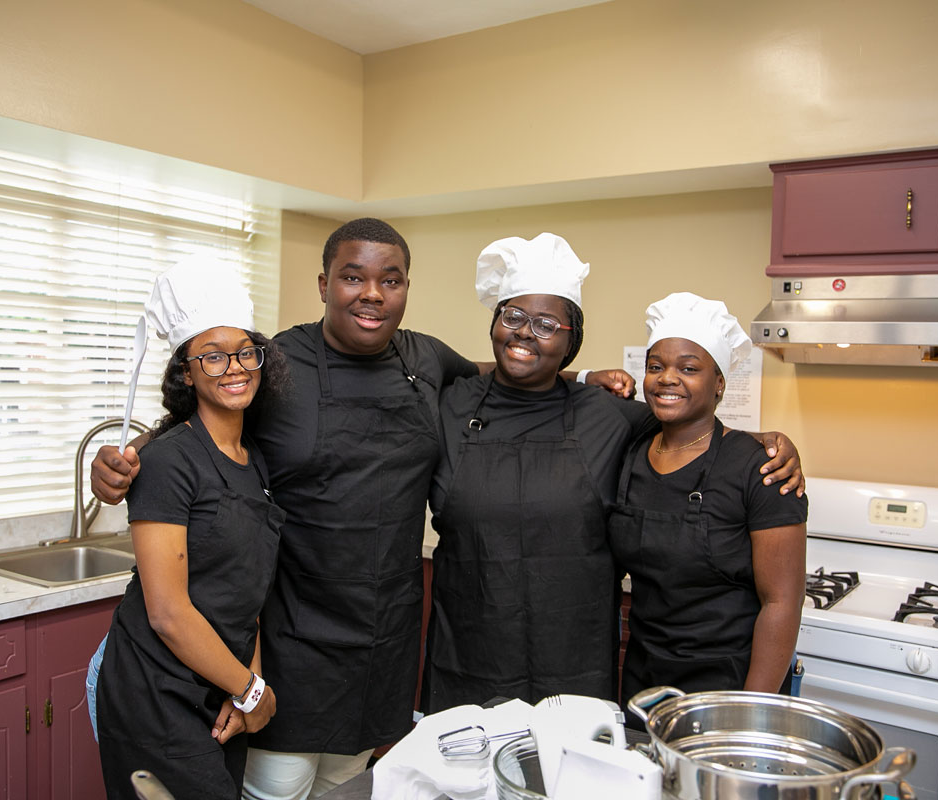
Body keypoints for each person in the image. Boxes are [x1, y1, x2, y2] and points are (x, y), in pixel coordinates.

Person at [89, 219, 638, 800]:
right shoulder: (275, 364)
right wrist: (126, 460)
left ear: (405, 288)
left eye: (391, 279)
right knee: (277, 788)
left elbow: (497, 371)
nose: (372, 293)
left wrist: (581, 377)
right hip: (290, 635)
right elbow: (205, 420)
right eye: (353, 277)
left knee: (351, 789)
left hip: (384, 636)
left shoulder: (426, 359)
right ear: (324, 284)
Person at [424, 236, 804, 713]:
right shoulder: (448, 404)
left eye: (546, 325)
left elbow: (693, 424)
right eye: (512, 317)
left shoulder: (608, 415)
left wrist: (764, 440)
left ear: (569, 340)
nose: (525, 333)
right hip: (467, 654)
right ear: (495, 322)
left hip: (574, 664)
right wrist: (581, 373)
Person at [95, 255, 288, 800]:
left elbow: (249, 590)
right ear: (185, 371)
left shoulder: (254, 460)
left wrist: (243, 686)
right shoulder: (167, 461)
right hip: (154, 694)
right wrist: (253, 691)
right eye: (213, 357)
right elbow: (168, 613)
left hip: (220, 685)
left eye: (245, 352)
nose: (235, 367)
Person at [609, 292, 807, 714]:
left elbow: (782, 603)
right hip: (644, 680)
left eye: (689, 368)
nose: (667, 378)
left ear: (719, 383)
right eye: (655, 366)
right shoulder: (631, 449)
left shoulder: (761, 469)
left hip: (729, 685)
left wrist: (750, 711)